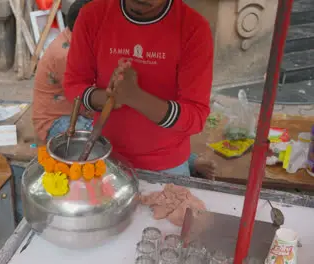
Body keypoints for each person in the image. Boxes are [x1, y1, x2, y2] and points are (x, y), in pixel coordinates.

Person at [33, 0, 216, 178]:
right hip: (105, 156)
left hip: (165, 165)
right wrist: (109, 98)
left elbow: (195, 117)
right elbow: (74, 85)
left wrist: (135, 97)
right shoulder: (93, 15)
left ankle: (191, 161)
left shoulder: (193, 28)